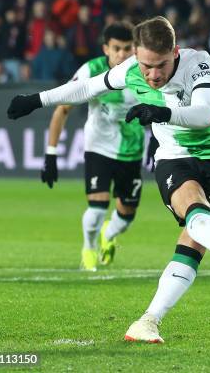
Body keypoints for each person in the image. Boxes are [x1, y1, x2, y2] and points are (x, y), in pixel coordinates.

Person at [7, 16, 210, 344]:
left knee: (191, 244)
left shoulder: (199, 63)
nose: (153, 75)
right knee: (192, 202)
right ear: (137, 54)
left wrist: (163, 114)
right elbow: (85, 87)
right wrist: (36, 100)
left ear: (175, 52)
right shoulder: (130, 69)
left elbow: (205, 114)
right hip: (174, 157)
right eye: (147, 65)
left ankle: (148, 321)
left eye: (161, 65)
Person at [41, 21, 145, 272]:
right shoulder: (91, 70)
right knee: (97, 207)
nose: (122, 54)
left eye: (127, 48)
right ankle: (88, 247)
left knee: (126, 216)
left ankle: (108, 234)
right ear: (106, 49)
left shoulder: (144, 71)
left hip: (132, 150)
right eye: (116, 48)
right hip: (98, 147)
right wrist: (51, 154)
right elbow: (63, 107)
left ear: (135, 48)